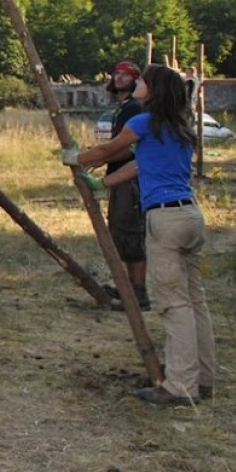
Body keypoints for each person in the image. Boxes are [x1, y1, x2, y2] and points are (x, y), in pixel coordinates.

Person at [73, 64, 214, 407]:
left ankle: (181, 385)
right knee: (195, 301)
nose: (137, 83)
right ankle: (202, 376)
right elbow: (140, 164)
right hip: (190, 216)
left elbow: (109, 150)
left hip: (165, 219)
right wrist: (103, 182)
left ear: (154, 90)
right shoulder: (178, 128)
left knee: (172, 303)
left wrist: (76, 159)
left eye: (143, 81)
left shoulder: (142, 122)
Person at [100, 61, 149, 311]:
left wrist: (99, 157)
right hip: (119, 174)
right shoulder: (123, 107)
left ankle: (138, 292)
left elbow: (127, 147)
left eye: (125, 75)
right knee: (121, 231)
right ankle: (129, 288)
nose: (119, 77)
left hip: (130, 177)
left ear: (136, 81)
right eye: (116, 73)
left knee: (131, 233)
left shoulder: (134, 108)